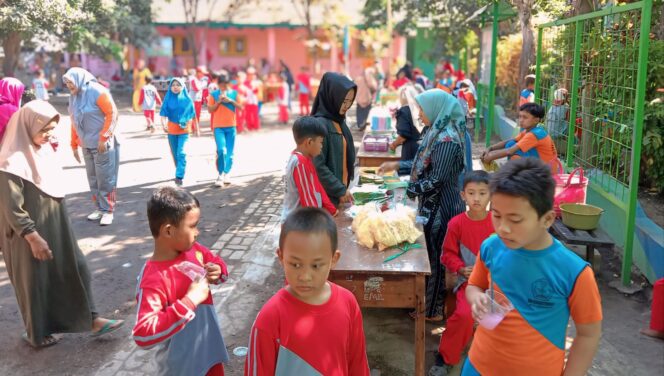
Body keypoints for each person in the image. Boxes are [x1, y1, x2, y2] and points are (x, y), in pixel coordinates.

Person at [0, 100, 124, 348]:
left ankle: (92, 319)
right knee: (34, 282)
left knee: (78, 266)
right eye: (44, 129)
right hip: (26, 234)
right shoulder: (9, 163)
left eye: (52, 129)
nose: (49, 134)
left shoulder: (42, 152)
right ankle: (36, 333)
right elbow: (11, 208)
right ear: (26, 127)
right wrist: (32, 236)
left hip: (55, 225)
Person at [463, 158, 602, 375]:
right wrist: (476, 300)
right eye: (497, 215)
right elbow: (474, 286)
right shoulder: (491, 247)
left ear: (547, 219)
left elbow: (589, 333)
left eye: (515, 220)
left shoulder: (574, 271)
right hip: (478, 366)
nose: (503, 228)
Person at [244, 207, 370, 375]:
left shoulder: (348, 303)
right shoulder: (269, 318)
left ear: (334, 259)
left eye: (316, 265)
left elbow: (357, 363)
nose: (305, 276)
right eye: (295, 264)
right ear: (281, 257)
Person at [133, 186, 230, 375]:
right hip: (181, 368)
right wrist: (190, 301)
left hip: (209, 354)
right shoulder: (153, 279)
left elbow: (218, 263)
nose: (198, 232)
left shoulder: (195, 250)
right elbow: (143, 335)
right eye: (192, 226)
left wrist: (218, 271)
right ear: (168, 231)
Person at [407, 89, 467, 321]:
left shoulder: (446, 140)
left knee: (434, 258)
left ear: (435, 108)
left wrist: (412, 188)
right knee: (432, 256)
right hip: (435, 204)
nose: (419, 114)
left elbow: (438, 179)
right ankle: (429, 303)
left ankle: (432, 310)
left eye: (422, 109)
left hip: (442, 207)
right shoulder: (437, 132)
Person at [429, 171, 494, 376]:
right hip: (468, 282)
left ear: (490, 195)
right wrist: (460, 267)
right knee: (465, 315)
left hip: (497, 283)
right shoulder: (456, 223)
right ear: (462, 195)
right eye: (472, 193)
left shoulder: (498, 222)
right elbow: (446, 255)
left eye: (482, 193)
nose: (477, 198)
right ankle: (445, 357)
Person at [64, 67, 120, 226]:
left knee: (106, 178)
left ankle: (108, 210)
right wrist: (74, 144)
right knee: (93, 178)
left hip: (102, 144)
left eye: (71, 82)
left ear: (79, 78)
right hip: (86, 144)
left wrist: (104, 137)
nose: (69, 85)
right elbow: (73, 121)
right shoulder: (74, 97)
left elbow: (113, 113)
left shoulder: (97, 91)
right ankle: (99, 208)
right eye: (67, 83)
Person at [311, 72, 357, 207]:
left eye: (350, 102)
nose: (346, 106)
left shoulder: (339, 121)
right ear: (331, 97)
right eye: (343, 101)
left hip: (340, 196)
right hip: (326, 200)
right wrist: (339, 189)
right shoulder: (319, 125)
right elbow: (317, 166)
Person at [282, 116, 338, 221]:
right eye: (320, 142)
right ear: (309, 142)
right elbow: (308, 200)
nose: (321, 146)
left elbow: (317, 186)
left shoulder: (305, 159)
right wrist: (317, 223)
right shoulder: (300, 163)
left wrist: (332, 210)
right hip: (297, 224)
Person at [480, 103, 558, 171]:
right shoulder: (528, 131)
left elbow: (510, 151)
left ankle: (516, 173)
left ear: (536, 120)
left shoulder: (534, 134)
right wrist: (490, 148)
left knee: (514, 151)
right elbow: (509, 141)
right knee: (511, 143)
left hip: (547, 171)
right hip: (543, 166)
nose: (521, 120)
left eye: (525, 117)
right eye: (520, 116)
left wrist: (490, 157)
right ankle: (514, 171)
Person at [160, 77, 196, 186]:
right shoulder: (167, 99)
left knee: (182, 153)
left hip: (184, 131)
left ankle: (179, 176)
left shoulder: (187, 100)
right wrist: (163, 124)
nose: (175, 87)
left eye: (178, 85)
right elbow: (163, 114)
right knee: (175, 154)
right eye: (173, 85)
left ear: (182, 86)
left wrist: (192, 125)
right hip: (171, 131)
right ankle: (179, 169)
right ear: (170, 87)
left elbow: (192, 115)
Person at [208, 74, 241, 187]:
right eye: (221, 85)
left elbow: (241, 106)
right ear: (218, 84)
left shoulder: (234, 93)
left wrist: (230, 100)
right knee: (222, 150)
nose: (223, 87)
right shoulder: (213, 94)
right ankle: (220, 174)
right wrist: (218, 102)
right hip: (218, 126)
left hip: (231, 126)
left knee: (230, 153)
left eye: (225, 85)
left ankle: (227, 173)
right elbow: (209, 110)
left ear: (228, 84)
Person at [391, 85, 421, 161]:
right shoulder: (418, 108)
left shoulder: (404, 111)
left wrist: (394, 144)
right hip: (421, 145)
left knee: (409, 169)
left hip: (410, 148)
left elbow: (403, 136)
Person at [354, 66, 378, 130]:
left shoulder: (358, 78)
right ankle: (364, 123)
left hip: (359, 99)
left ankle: (360, 124)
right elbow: (374, 87)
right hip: (367, 98)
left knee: (359, 112)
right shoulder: (370, 78)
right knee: (366, 111)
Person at [189, 66, 208, 137]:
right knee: (193, 115)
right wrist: (203, 84)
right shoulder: (193, 79)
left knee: (198, 114)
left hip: (199, 99)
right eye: (202, 73)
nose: (203, 75)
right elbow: (196, 88)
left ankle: (195, 128)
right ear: (198, 72)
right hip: (193, 100)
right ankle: (193, 129)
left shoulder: (201, 80)